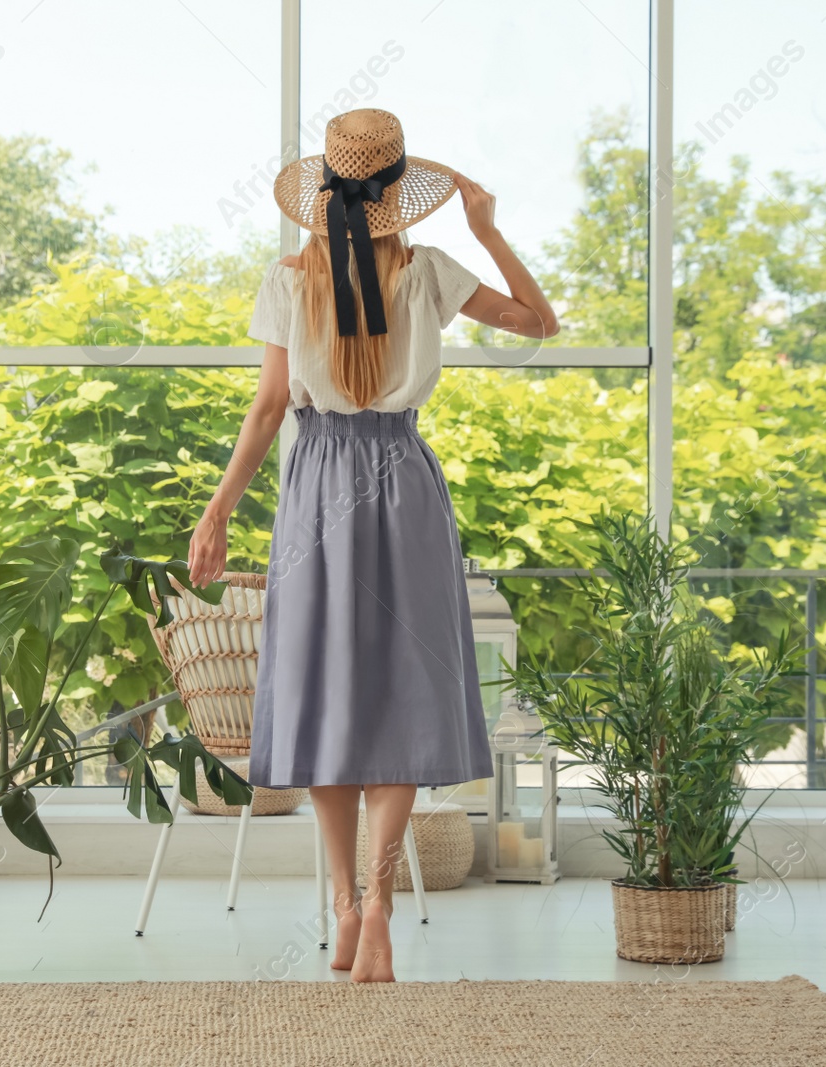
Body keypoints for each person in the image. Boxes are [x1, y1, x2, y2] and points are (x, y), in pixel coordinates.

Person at [186, 108, 558, 983]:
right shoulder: (430, 272)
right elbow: (540, 322)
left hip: (318, 487)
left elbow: (271, 408)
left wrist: (218, 510)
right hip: (403, 483)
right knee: (399, 689)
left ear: (324, 194)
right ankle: (382, 903)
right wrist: (489, 230)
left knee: (325, 692)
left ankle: (346, 908)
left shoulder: (289, 278)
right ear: (399, 197)